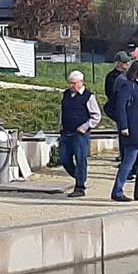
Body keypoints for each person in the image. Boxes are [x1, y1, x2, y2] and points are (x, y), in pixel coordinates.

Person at [111, 61, 138, 202]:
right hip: (132, 129)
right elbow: (120, 107)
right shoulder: (128, 86)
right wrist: (123, 126)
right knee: (129, 161)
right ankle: (117, 190)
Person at [58, 70, 102, 198]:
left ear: (81, 82)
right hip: (66, 132)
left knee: (80, 159)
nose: (71, 86)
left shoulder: (89, 96)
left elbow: (96, 116)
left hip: (80, 134)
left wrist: (85, 126)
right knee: (64, 158)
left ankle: (80, 187)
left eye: (74, 83)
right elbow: (62, 111)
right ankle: (79, 176)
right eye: (70, 83)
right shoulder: (66, 95)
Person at [104, 51, 132, 164]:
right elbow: (109, 92)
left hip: (129, 108)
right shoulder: (111, 76)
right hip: (118, 107)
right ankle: (123, 153)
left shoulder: (128, 75)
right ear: (119, 63)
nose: (127, 64)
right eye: (124, 62)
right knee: (122, 131)